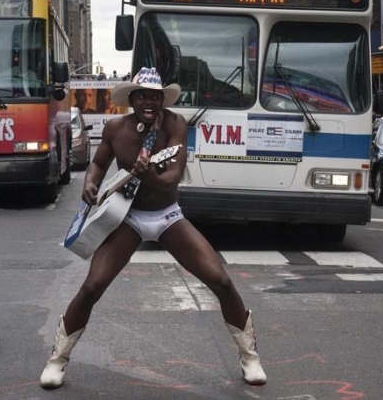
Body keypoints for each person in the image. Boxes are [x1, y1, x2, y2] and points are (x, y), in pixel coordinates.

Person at [41, 67, 266, 389]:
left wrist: (145, 173)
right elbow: (98, 164)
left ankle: (250, 355)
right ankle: (57, 359)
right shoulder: (116, 128)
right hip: (126, 217)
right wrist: (90, 184)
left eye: (155, 96)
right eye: (142, 95)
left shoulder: (175, 124)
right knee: (92, 287)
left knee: (222, 281)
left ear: (163, 99)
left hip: (167, 214)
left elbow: (169, 181)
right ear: (131, 99)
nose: (149, 101)